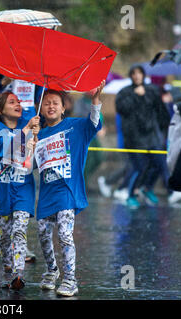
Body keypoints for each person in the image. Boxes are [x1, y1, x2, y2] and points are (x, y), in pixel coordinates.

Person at [34, 81, 105, 297]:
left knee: (65, 235)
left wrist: (95, 99)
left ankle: (70, 280)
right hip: (46, 194)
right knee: (43, 234)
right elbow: (31, 165)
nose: (51, 106)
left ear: (64, 107)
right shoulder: (39, 134)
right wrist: (31, 136)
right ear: (41, 109)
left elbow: (94, 123)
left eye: (55, 103)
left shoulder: (76, 126)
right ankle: (52, 271)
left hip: (67, 192)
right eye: (46, 104)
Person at [0, 59, 40, 262]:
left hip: (27, 126)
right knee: (2, 179)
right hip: (1, 129)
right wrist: (3, 82)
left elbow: (39, 97)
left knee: (22, 179)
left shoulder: (37, 62)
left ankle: (18, 242)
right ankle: (0, 232)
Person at [0, 91, 40, 290]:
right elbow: (4, 150)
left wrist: (35, 143)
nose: (18, 104)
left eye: (18, 101)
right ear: (0, 110)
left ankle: (18, 274)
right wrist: (26, 130)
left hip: (23, 189)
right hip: (2, 190)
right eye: (11, 102)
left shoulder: (27, 130)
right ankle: (8, 264)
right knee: (5, 236)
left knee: (19, 230)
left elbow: (33, 164)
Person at [116, 65, 170, 209]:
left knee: (160, 163)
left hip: (151, 136)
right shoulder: (124, 93)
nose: (137, 76)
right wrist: (135, 95)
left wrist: (167, 128)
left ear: (143, 74)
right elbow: (122, 109)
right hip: (134, 138)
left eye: (139, 73)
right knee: (138, 168)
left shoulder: (152, 90)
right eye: (134, 73)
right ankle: (131, 195)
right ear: (130, 75)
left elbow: (160, 110)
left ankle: (147, 188)